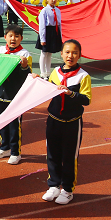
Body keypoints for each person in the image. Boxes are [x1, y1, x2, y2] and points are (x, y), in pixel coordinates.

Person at [39, 39, 92, 205]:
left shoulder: (83, 76)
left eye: (75, 52)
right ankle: (54, 185)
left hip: (72, 123)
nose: (70, 56)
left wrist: (70, 93)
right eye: (67, 52)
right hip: (53, 120)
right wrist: (36, 80)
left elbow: (86, 100)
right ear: (61, 53)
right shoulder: (55, 72)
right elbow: (47, 90)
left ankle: (67, 190)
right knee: (52, 155)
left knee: (69, 157)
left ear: (80, 55)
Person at [0, 24, 32, 164]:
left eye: (16, 36)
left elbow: (28, 76)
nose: (13, 39)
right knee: (1, 122)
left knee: (14, 125)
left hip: (15, 96)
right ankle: (4, 147)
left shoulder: (25, 54)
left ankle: (15, 152)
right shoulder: (0, 50)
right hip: (0, 94)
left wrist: (24, 66)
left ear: (21, 38)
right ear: (5, 37)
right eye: (10, 36)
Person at [35, 0, 63, 78]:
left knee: (50, 53)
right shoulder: (44, 11)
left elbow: (59, 24)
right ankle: (42, 72)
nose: (54, 0)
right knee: (44, 53)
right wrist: (42, 39)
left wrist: (60, 36)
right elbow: (42, 25)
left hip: (54, 32)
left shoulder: (57, 10)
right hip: (47, 32)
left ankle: (48, 71)